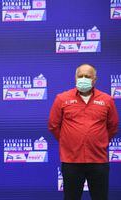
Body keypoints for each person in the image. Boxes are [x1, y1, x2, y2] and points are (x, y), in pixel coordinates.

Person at [48, 64, 119, 200]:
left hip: (98, 160)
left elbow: (113, 127)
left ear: (94, 80)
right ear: (75, 78)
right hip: (71, 161)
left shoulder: (106, 100)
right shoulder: (62, 99)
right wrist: (68, 141)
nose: (83, 79)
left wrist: (99, 141)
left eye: (87, 76)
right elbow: (53, 126)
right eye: (80, 76)